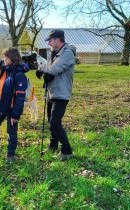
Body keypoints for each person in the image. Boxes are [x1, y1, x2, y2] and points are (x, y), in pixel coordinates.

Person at [35, 29, 76, 161]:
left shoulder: (67, 53)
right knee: (50, 121)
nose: (49, 43)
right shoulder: (53, 53)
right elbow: (50, 69)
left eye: (50, 40)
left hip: (62, 92)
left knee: (55, 122)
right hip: (52, 92)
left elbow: (55, 69)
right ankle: (53, 146)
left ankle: (67, 151)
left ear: (58, 40)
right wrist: (45, 74)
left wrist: (42, 69)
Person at [0, 47, 29, 162]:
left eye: (6, 57)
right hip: (2, 105)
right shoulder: (5, 70)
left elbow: (20, 97)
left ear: (12, 58)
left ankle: (10, 155)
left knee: (11, 132)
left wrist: (16, 115)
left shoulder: (19, 75)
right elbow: (0, 88)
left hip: (13, 108)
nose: (4, 59)